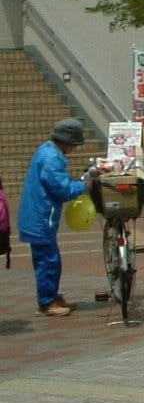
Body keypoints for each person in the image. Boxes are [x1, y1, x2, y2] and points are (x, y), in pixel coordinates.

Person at [17, 119, 99, 317]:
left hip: (38, 217)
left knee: (48, 260)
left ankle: (51, 296)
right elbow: (62, 189)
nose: (74, 149)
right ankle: (47, 302)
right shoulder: (52, 158)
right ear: (67, 141)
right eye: (74, 144)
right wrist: (84, 186)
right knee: (49, 262)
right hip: (40, 219)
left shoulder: (47, 151)